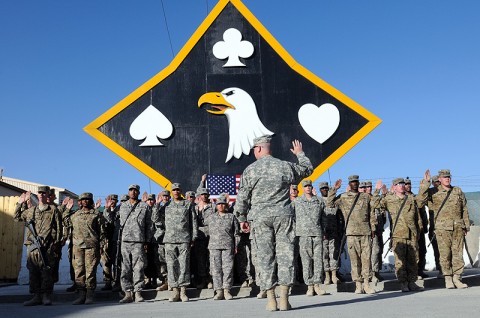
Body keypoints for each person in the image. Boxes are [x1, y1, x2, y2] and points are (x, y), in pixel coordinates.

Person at [234, 136, 313, 311]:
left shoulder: (251, 170)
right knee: (285, 255)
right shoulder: (284, 166)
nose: (254, 152)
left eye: (254, 149)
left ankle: (271, 300)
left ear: (259, 149)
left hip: (261, 218)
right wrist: (300, 154)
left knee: (265, 257)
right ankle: (284, 298)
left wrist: (241, 219)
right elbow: (307, 169)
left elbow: (242, 197)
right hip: (283, 215)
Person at [418, 169, 470, 289]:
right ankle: (448, 279)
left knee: (457, 254)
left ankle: (457, 278)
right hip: (442, 229)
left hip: (458, 227)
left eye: (449, 177)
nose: (447, 179)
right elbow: (420, 202)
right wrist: (425, 183)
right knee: (445, 254)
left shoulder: (457, 191)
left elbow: (464, 209)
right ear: (439, 179)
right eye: (445, 177)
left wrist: (466, 225)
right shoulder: (433, 191)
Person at [327, 175, 377, 294]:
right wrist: (334, 189)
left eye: (356, 182)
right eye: (352, 182)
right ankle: (358, 285)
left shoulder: (365, 197)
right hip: (351, 233)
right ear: (349, 184)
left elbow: (371, 212)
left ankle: (366, 284)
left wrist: (373, 227)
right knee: (354, 260)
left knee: (366, 259)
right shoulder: (344, 197)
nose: (354, 184)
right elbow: (329, 203)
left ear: (358, 183)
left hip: (365, 232)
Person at [14, 186, 63, 306]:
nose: (41, 195)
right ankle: (36, 296)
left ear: (47, 195)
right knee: (33, 272)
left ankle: (46, 296)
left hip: (47, 246)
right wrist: (20, 204)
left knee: (46, 271)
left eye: (43, 193)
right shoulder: (31, 211)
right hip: (32, 247)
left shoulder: (53, 210)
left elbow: (59, 228)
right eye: (39, 193)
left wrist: (56, 244)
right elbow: (17, 218)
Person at [374, 179, 423, 292]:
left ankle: (412, 282)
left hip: (412, 234)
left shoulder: (411, 198)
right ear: (394, 187)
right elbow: (374, 203)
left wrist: (418, 231)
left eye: (402, 184)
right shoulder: (389, 199)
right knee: (400, 261)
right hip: (398, 235)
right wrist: (377, 190)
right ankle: (403, 283)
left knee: (413, 260)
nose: (401, 186)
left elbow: (417, 216)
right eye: (398, 185)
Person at [153, 183, 198, 302]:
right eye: (174, 190)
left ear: (181, 191)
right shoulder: (166, 205)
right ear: (171, 192)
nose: (176, 192)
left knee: (184, 265)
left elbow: (193, 221)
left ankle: (183, 291)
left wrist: (193, 237)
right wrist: (157, 205)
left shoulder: (187, 204)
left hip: (184, 238)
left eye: (178, 189)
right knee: (171, 265)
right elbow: (155, 219)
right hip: (169, 239)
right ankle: (175, 291)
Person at [118, 184, 154, 303]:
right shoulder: (122, 206)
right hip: (125, 242)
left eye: (135, 190)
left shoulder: (144, 206)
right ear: (128, 192)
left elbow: (149, 225)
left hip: (139, 241)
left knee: (138, 268)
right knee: (125, 268)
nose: (133, 192)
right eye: (131, 190)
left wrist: (147, 241)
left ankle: (138, 292)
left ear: (138, 193)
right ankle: (128, 293)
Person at [69, 192, 107, 304]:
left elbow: (102, 233)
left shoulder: (96, 215)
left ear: (91, 201)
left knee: (90, 271)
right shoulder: (75, 215)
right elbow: (66, 224)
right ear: (79, 201)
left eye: (87, 199)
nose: (85, 201)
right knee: (79, 271)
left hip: (92, 247)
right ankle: (81, 294)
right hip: (78, 247)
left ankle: (90, 295)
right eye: (83, 199)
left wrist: (102, 246)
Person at [292, 179, 326, 296]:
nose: (308, 188)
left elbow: (323, 218)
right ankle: (309, 286)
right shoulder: (297, 202)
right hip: (303, 235)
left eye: (309, 186)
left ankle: (317, 285)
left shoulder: (319, 201)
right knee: (306, 261)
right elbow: (292, 218)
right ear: (302, 188)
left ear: (312, 187)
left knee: (318, 261)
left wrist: (323, 231)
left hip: (317, 234)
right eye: (305, 186)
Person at [204, 195, 240, 300]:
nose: (220, 206)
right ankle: (218, 291)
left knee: (228, 269)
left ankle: (227, 290)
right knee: (216, 269)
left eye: (223, 204)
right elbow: (205, 228)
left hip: (228, 246)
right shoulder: (211, 217)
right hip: (214, 246)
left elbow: (236, 233)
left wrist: (236, 246)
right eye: (219, 204)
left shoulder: (231, 217)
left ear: (226, 205)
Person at [405, 178, 429, 279]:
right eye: (406, 184)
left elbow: (423, 212)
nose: (408, 186)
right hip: (409, 229)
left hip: (420, 228)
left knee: (422, 250)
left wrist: (425, 226)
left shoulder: (415, 197)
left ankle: (420, 270)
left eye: (409, 184)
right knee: (412, 251)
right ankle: (412, 272)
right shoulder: (402, 198)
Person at [318, 181, 342, 285]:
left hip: (334, 232)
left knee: (334, 253)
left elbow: (339, 217)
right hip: (323, 233)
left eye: (326, 188)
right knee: (324, 254)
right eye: (323, 189)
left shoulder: (335, 201)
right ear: (320, 190)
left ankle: (334, 275)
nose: (325, 190)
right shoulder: (318, 201)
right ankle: (327, 275)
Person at [193, 176, 214, 289]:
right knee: (200, 259)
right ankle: (202, 280)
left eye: (206, 194)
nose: (204, 196)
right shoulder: (195, 208)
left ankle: (210, 280)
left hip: (211, 235)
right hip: (199, 235)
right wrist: (202, 181)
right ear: (199, 196)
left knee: (210, 259)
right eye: (202, 194)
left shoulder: (213, 207)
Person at [365, 180, 385, 283]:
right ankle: (372, 273)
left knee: (378, 251)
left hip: (378, 230)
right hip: (370, 231)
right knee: (372, 252)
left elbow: (382, 212)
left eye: (370, 187)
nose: (369, 189)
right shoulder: (365, 199)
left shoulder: (375, 198)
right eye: (367, 187)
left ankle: (376, 271)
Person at [101, 194, 120, 291]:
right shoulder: (104, 211)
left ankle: (116, 282)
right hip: (106, 240)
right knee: (106, 263)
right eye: (110, 199)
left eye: (114, 200)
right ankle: (107, 282)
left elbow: (112, 221)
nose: (112, 201)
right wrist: (107, 209)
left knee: (117, 262)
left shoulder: (119, 210)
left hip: (116, 240)